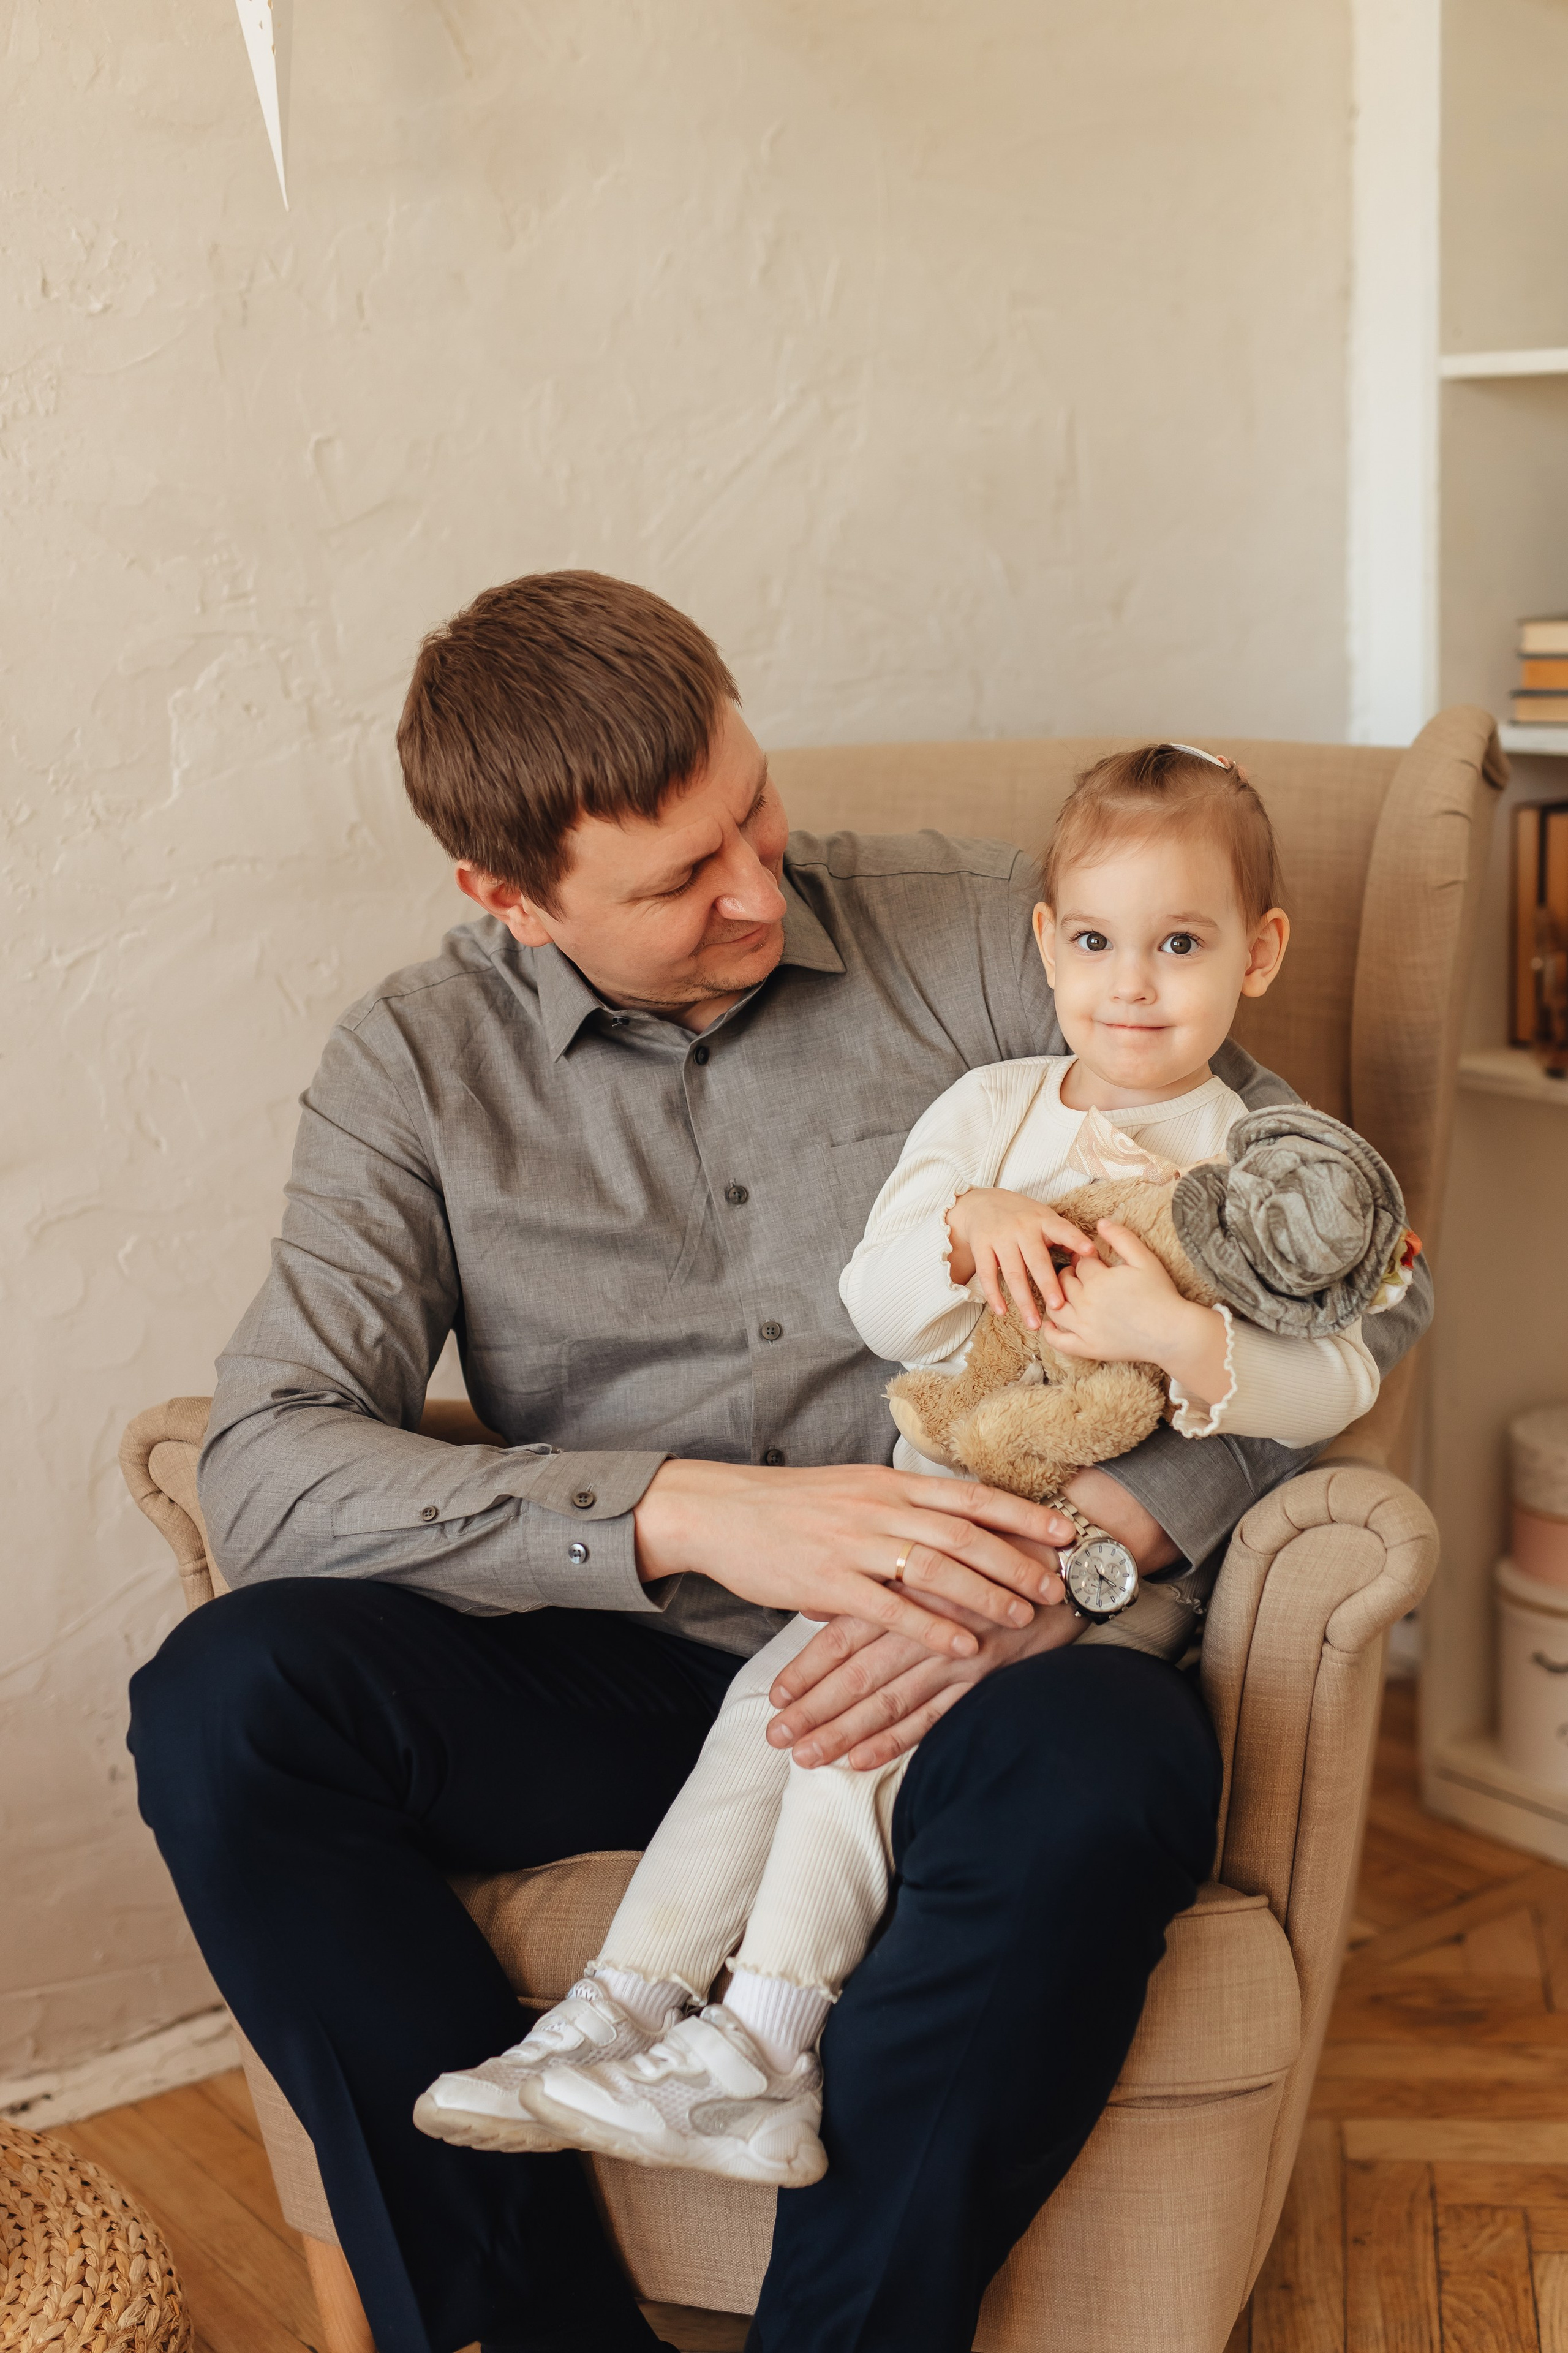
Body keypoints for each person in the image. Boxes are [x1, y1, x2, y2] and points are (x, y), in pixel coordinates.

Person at [126, 574, 1432, 2353]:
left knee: (1102, 1769)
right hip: (609, 1662)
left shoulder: (985, 932)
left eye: (754, 811)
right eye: (681, 879)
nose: (756, 889)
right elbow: (267, 1468)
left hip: (975, 1650)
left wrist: (1080, 1555)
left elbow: (1358, 1269)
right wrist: (686, 1513)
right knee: (227, 1700)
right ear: (511, 901)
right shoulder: (413, 1067)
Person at [412, 744, 1394, 2192]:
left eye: (1179, 945)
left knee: (846, 1748)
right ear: (1043, 945)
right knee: (768, 1709)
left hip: (1098, 1586)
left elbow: (1345, 1373)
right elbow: (877, 1305)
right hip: (932, 1510)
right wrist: (964, 1230)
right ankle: (613, 2012)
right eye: (1095, 943)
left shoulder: (1272, 1163)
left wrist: (1177, 1335)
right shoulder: (991, 1112)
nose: (1131, 985)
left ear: (1257, 955)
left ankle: (760, 2049)